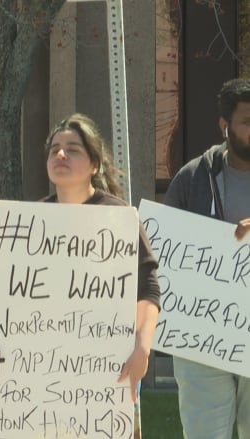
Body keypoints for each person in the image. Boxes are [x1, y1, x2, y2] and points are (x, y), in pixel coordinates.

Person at [0, 113, 161, 439]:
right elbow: (2, 298)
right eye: (54, 149)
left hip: (108, 376)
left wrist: (143, 348)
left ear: (94, 164)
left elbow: (147, 286)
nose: (60, 155)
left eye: (73, 149)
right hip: (38, 386)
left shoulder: (118, 218)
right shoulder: (29, 224)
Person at [164, 78, 250, 439]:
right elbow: (162, 251)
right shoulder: (193, 177)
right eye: (247, 121)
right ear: (224, 126)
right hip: (204, 338)